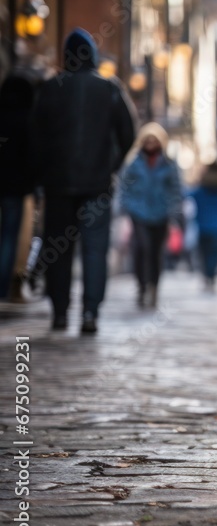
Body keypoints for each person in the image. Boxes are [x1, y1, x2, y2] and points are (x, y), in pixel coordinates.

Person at [30, 28, 137, 332]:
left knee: (58, 249)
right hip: (97, 185)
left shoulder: (50, 89)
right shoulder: (109, 88)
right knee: (94, 250)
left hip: (58, 184)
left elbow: (35, 137)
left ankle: (60, 312)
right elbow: (128, 134)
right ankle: (90, 313)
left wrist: (41, 175)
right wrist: (111, 165)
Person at [119, 123, 182, 308]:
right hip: (139, 213)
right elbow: (124, 188)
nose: (151, 144)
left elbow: (176, 190)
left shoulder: (169, 164)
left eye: (154, 141)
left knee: (155, 252)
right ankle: (141, 285)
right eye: (148, 140)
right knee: (141, 248)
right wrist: (127, 207)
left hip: (161, 214)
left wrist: (173, 211)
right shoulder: (134, 163)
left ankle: (154, 286)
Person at [0, 74, 39, 301]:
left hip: (12, 185)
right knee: (9, 236)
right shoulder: (27, 120)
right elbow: (32, 157)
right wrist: (32, 184)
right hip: (15, 187)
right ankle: (3, 287)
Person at [190, 161, 217, 292]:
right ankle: (211, 276)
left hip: (203, 226)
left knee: (204, 254)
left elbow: (190, 195)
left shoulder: (202, 187)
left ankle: (207, 276)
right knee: (215, 254)